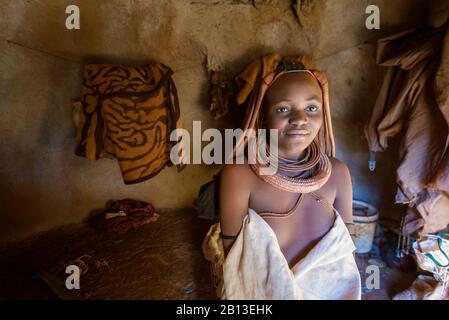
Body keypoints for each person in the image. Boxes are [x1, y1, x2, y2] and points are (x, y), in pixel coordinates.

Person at [202, 54, 361, 300]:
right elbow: (236, 269)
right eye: (283, 108)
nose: (300, 119)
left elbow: (345, 260)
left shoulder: (338, 174)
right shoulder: (239, 175)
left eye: (311, 108)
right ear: (264, 118)